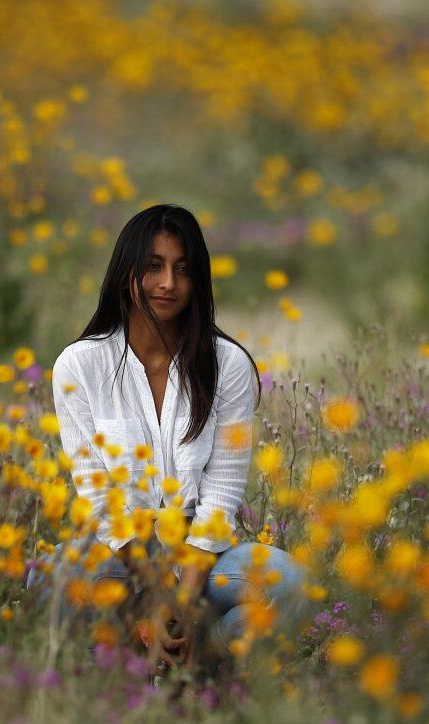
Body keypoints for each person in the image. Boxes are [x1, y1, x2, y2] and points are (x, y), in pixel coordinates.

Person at [27, 204, 311, 676]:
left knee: (295, 587)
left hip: (202, 555)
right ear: (126, 275)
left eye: (183, 269)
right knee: (49, 579)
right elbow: (99, 499)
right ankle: (126, 658)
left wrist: (180, 604)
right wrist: (154, 595)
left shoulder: (229, 365)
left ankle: (204, 663)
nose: (168, 284)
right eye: (153, 267)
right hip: (120, 553)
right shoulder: (79, 366)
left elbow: (221, 494)